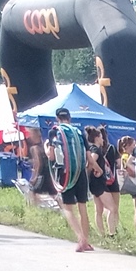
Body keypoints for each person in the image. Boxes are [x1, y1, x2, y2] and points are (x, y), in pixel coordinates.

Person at [47, 106, 93, 252]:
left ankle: (81, 239)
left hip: (65, 173)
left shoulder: (54, 131)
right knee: (83, 207)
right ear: (69, 117)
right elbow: (88, 156)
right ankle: (86, 240)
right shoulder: (79, 132)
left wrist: (46, 147)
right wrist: (97, 169)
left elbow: (51, 156)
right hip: (80, 173)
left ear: (57, 118)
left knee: (67, 207)